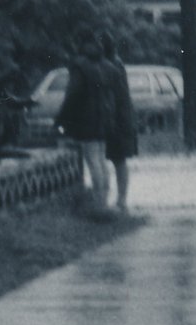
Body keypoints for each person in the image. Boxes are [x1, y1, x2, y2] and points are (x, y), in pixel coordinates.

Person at [55, 33, 114, 212]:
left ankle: (98, 204)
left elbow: (73, 94)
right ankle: (104, 200)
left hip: (87, 118)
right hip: (104, 117)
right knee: (101, 159)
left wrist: (61, 118)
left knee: (92, 159)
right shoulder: (106, 65)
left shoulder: (80, 65)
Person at [100, 32, 138, 214]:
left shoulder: (112, 65)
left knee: (117, 159)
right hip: (122, 116)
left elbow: (116, 94)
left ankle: (120, 199)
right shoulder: (116, 63)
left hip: (117, 118)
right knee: (118, 160)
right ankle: (120, 199)